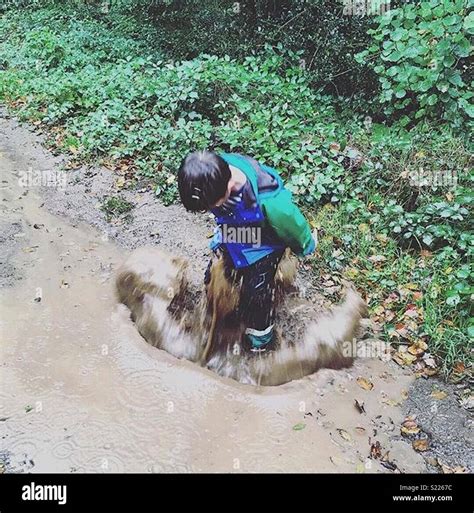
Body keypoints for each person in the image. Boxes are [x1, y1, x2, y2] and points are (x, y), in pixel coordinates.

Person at [177, 150, 316, 353]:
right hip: (233, 232)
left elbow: (293, 226)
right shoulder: (213, 175)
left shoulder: (270, 202)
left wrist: (306, 244)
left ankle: (260, 340)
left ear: (228, 185)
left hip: (265, 244)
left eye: (211, 206)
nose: (209, 210)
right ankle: (219, 314)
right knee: (213, 276)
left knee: (256, 293)